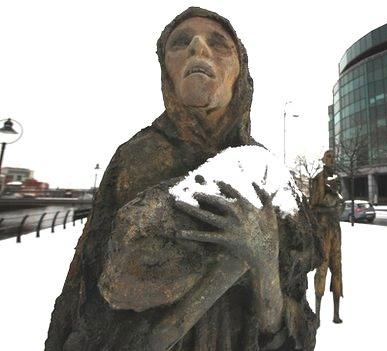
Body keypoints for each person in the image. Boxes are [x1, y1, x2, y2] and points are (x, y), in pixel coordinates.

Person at [45, 8, 319, 351]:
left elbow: (295, 328)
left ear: (240, 71)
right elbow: (84, 297)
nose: (198, 47)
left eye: (219, 43)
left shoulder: (268, 174)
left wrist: (264, 265)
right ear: (166, 71)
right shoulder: (134, 158)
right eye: (181, 42)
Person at [309, 150, 345, 324]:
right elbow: (313, 207)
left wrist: (338, 205)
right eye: (328, 157)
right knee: (322, 269)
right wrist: (330, 206)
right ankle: (317, 314)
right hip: (323, 230)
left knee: (337, 270)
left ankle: (336, 314)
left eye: (333, 157)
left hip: (336, 230)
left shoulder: (337, 179)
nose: (331, 159)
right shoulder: (318, 179)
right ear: (323, 159)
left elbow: (341, 205)